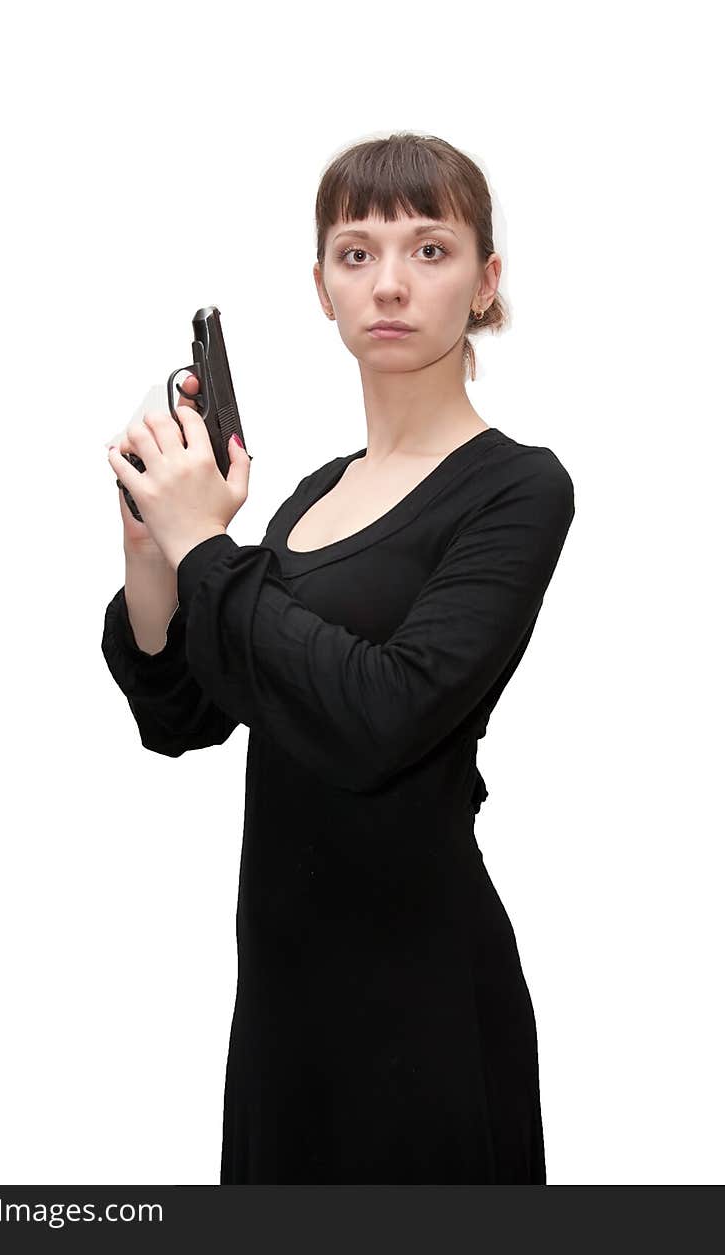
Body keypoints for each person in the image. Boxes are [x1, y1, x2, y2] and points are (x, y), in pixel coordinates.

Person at [101, 131, 575, 1184]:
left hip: (425, 994)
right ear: (319, 285)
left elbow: (381, 716)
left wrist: (209, 549)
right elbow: (183, 716)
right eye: (355, 253)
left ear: (485, 282)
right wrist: (156, 559)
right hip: (281, 991)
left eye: (430, 249)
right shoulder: (311, 494)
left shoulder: (518, 491)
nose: (391, 282)